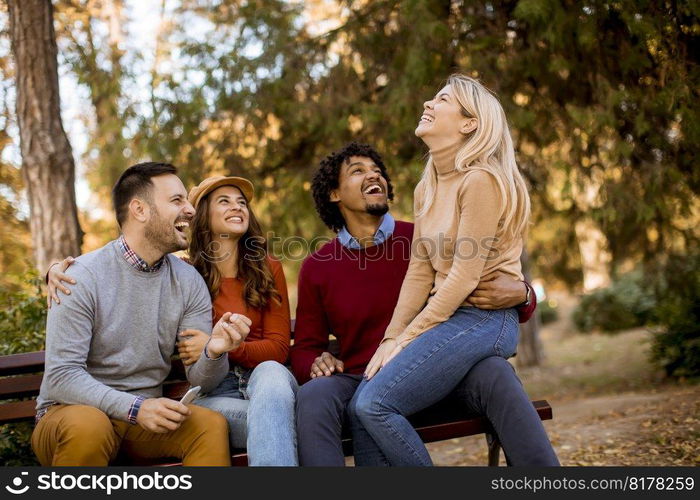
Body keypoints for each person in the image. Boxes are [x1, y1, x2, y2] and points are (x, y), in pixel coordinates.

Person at [292, 142, 558, 466]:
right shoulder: (318, 267)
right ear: (334, 194)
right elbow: (305, 347)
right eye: (357, 171)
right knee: (313, 396)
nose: (373, 175)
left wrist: (524, 295)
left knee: (495, 371)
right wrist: (315, 363)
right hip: (362, 378)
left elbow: (481, 283)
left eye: (377, 171)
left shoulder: (424, 237)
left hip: (440, 370)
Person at [348, 74, 540, 466]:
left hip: (486, 319)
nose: (428, 104)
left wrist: (408, 338)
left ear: (469, 123)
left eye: (442, 100)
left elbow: (465, 277)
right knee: (359, 408)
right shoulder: (428, 187)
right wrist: (391, 337)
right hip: (452, 319)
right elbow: (420, 271)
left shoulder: (480, 180)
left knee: (374, 405)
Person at [47, 175, 298, 466]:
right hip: (110, 409)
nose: (237, 207)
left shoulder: (190, 278)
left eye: (242, 202)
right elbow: (62, 374)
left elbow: (274, 350)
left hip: (259, 387)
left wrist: (217, 348)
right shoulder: (188, 271)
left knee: (267, 378)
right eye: (224, 201)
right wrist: (59, 270)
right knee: (90, 425)